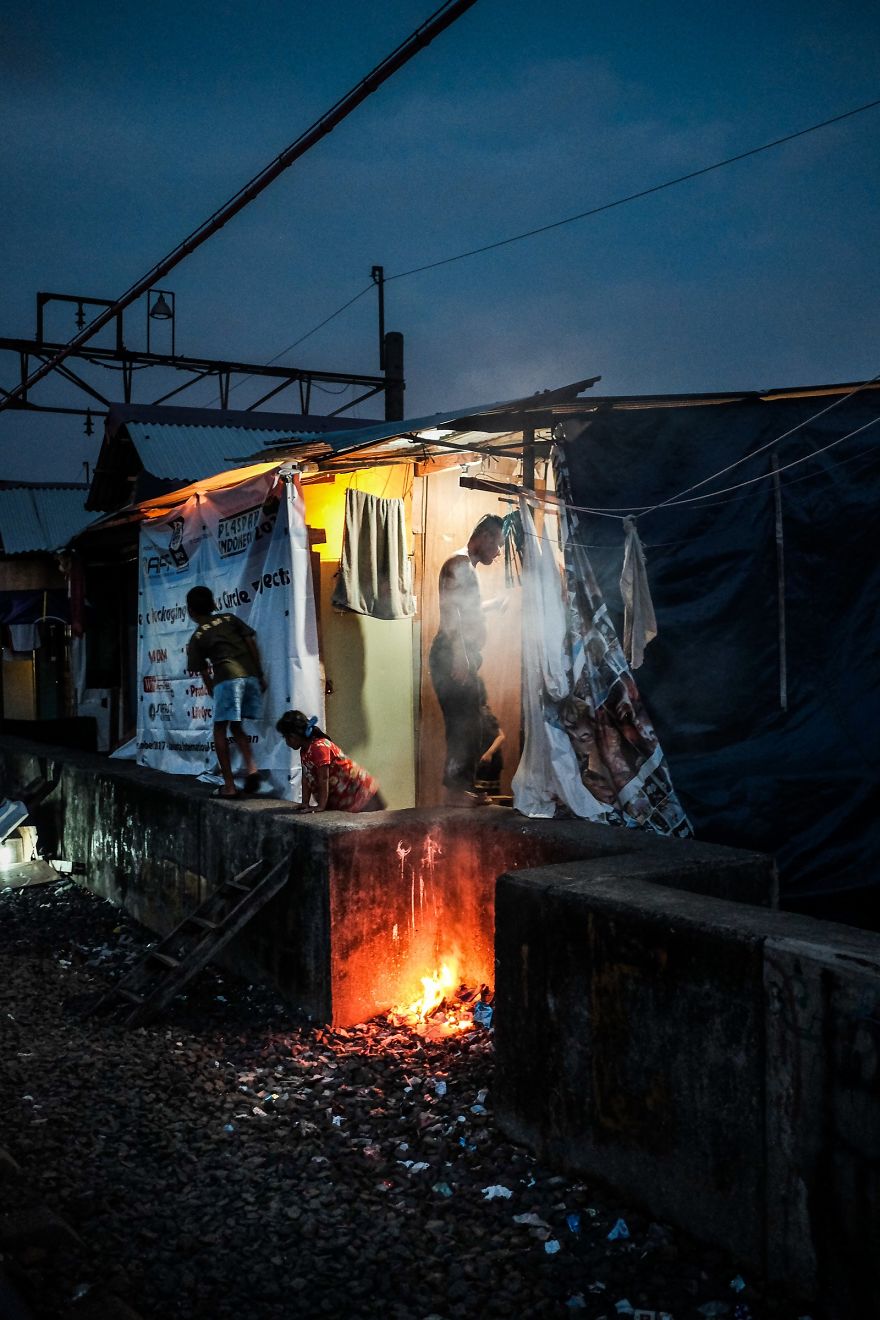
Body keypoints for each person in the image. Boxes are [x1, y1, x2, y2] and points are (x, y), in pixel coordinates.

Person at [429, 513, 505, 806]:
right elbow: (451, 613)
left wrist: (491, 605)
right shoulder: (459, 563)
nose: (497, 553)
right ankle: (457, 793)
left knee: (471, 723)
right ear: (484, 537)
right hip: (451, 655)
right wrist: (459, 654)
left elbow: (465, 609)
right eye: (497, 544)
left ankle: (459, 790)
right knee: (464, 726)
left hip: (459, 654)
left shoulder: (464, 566)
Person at [186, 585, 266, 798]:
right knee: (237, 725)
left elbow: (202, 669)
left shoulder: (197, 636)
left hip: (227, 678)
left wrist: (212, 688)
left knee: (219, 730)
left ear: (191, 611)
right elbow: (250, 640)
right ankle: (252, 769)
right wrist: (259, 674)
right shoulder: (229, 619)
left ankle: (229, 786)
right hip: (249, 675)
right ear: (212, 604)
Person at [276, 710, 386, 813]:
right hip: (346, 797)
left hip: (361, 794)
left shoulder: (319, 747)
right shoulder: (305, 751)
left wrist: (321, 806)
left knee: (377, 832)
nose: (286, 742)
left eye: (286, 738)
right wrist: (305, 803)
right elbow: (306, 776)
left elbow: (324, 778)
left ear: (294, 736)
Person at [473, 679, 505, 796]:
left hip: (487, 763)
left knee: (485, 798)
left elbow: (501, 736)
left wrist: (489, 753)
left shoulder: (483, 714)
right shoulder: (478, 713)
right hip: (483, 761)